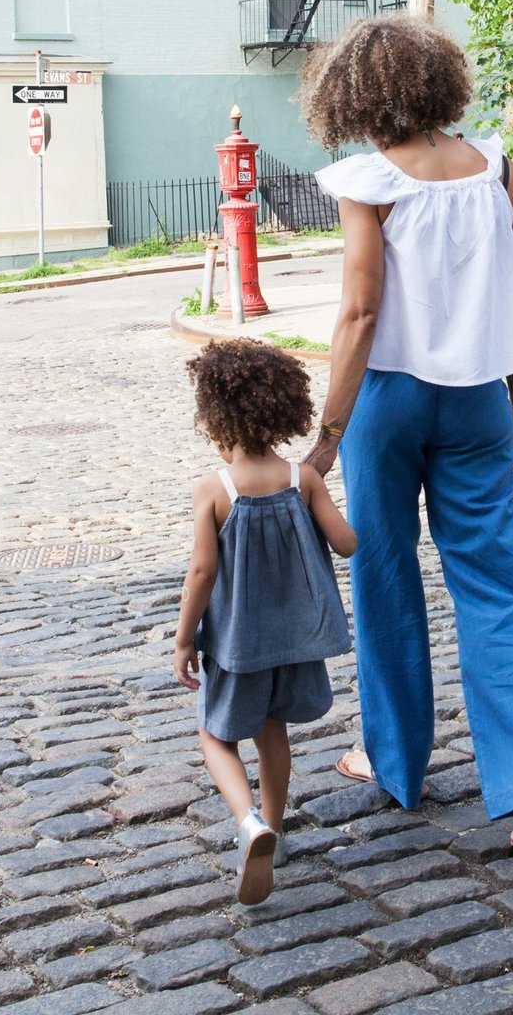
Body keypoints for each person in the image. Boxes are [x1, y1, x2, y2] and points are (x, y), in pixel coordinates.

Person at [303, 14, 513, 850]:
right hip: (477, 403)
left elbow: (360, 311)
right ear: (440, 83)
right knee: (501, 581)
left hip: (389, 402)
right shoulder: (495, 168)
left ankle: (395, 762)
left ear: (354, 94)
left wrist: (326, 437)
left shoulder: (369, 180)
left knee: (385, 574)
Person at [174, 338, 357, 904]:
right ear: (283, 411)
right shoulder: (303, 479)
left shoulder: (215, 489)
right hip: (296, 642)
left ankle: (248, 821)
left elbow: (203, 571)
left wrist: (184, 639)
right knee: (272, 732)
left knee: (215, 732)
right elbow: (347, 544)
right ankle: (274, 830)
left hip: (237, 645)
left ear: (214, 419)